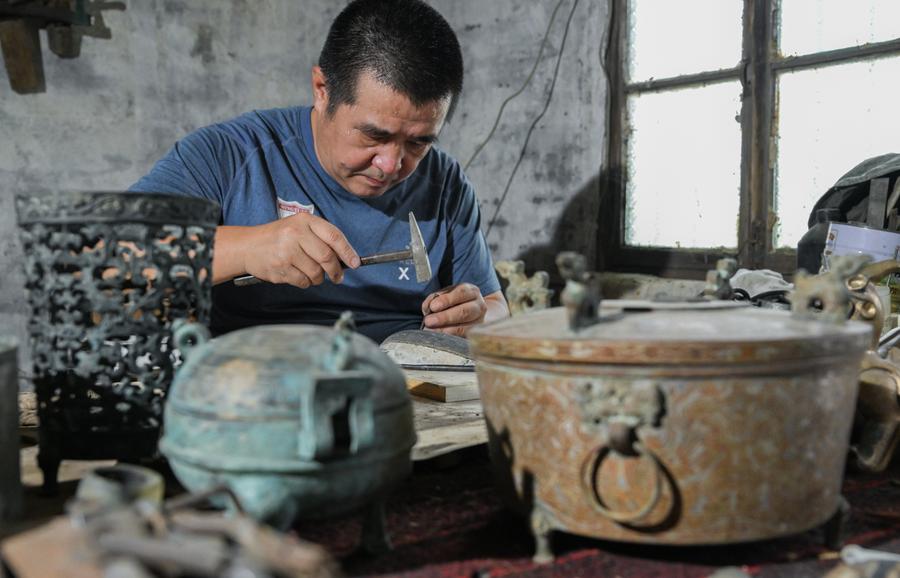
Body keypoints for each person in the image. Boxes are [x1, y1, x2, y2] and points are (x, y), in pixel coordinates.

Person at [130, 0, 508, 343]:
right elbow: (111, 262)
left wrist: (476, 319)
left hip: (404, 380)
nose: (391, 165)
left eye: (418, 143)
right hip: (257, 377)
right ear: (322, 89)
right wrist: (245, 248)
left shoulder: (445, 183)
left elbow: (495, 307)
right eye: (374, 135)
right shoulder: (227, 155)